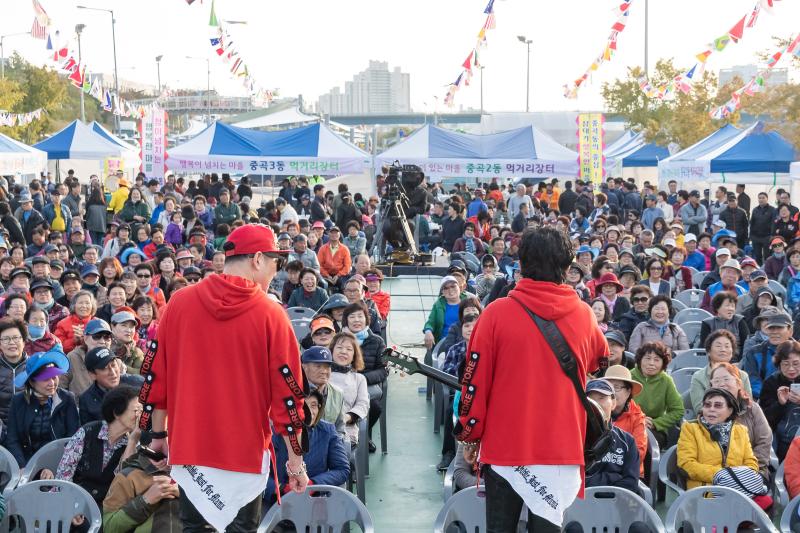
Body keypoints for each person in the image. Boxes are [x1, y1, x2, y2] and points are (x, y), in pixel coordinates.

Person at [147, 224, 308, 531]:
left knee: (193, 529)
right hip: (244, 454)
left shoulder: (178, 303)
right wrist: (295, 462)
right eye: (277, 260)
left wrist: (158, 435)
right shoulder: (272, 315)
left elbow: (157, 378)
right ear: (258, 259)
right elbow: (289, 400)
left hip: (190, 450)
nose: (278, 268)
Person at [456, 227, 606, 532]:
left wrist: (471, 434)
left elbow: (473, 383)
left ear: (521, 264)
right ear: (566, 266)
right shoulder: (584, 315)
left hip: (504, 446)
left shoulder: (495, 314)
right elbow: (599, 363)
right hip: (560, 447)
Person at [56, 385, 142, 513]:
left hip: (107, 507)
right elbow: (64, 474)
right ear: (116, 413)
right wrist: (71, 508)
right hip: (73, 501)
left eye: (142, 411)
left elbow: (123, 482)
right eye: (136, 411)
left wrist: (132, 441)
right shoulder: (88, 432)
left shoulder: (134, 443)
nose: (139, 416)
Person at [266, 389, 349, 505]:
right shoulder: (273, 432)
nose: (309, 411)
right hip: (277, 501)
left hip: (316, 501)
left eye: (314, 405)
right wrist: (280, 489)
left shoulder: (328, 431)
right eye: (303, 405)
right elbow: (259, 472)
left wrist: (312, 485)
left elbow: (342, 470)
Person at [677, 387, 762, 494]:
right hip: (704, 491)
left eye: (718, 405)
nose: (711, 409)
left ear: (730, 411)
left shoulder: (741, 430)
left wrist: (738, 478)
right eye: (707, 405)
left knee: (765, 503)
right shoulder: (690, 429)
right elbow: (686, 465)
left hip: (738, 489)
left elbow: (751, 462)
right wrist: (721, 475)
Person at [6, 349, 80, 468]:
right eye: (45, 379)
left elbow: (72, 439)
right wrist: (23, 467)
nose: (52, 383)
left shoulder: (67, 399)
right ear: (32, 382)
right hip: (26, 463)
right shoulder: (18, 401)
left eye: (54, 377)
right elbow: (12, 439)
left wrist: (52, 466)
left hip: (59, 463)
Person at [708, 362, 772, 478]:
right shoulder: (708, 413)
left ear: (738, 383)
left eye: (726, 379)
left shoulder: (752, 409)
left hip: (752, 471)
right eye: (716, 381)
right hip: (715, 476)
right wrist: (724, 475)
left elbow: (764, 441)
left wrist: (745, 471)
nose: (722, 384)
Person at [580, 379, 642, 497]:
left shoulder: (627, 441)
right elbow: (576, 481)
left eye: (601, 398)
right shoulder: (576, 439)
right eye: (590, 399)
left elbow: (631, 482)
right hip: (582, 505)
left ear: (613, 403)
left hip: (616, 505)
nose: (595, 403)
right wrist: (614, 477)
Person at [343, 301, 386, 452]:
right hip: (342, 386)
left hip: (365, 387)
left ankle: (364, 435)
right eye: (352, 317)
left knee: (374, 407)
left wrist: (362, 379)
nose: (356, 320)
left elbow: (382, 370)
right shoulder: (339, 340)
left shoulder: (376, 341)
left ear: (366, 319)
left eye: (360, 316)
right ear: (346, 320)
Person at [631, 341, 683, 448]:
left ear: (663, 363)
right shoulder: (629, 376)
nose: (651, 363)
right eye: (647, 358)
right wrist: (639, 420)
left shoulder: (666, 380)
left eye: (656, 360)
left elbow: (678, 410)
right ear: (640, 360)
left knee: (644, 442)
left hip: (654, 429)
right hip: (629, 423)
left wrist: (656, 423)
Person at [759, 339, 800, 461]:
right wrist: (780, 404)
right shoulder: (771, 382)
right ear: (779, 365)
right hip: (782, 438)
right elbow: (765, 420)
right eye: (786, 364)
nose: (791, 369)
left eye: (796, 363)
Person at [741, 306, 794, 399]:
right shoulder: (753, 353)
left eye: (779, 328)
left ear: (790, 331)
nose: (774, 332)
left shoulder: (797, 352)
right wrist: (772, 396)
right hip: (764, 401)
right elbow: (753, 381)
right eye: (771, 328)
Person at [328, 332, 370, 447]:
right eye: (339, 348)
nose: (343, 351)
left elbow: (363, 404)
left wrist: (346, 417)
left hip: (346, 430)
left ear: (354, 356)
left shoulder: (359, 379)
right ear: (331, 351)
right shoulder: (322, 374)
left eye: (349, 349)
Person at [61, 318, 113, 396]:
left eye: (107, 337)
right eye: (97, 336)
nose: (102, 341)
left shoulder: (115, 360)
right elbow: (60, 388)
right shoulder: (72, 358)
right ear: (85, 338)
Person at [423, 276, 467, 350]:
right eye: (446, 288)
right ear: (442, 292)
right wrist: (428, 332)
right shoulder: (438, 305)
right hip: (443, 345)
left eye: (453, 286)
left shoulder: (468, 301)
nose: (450, 290)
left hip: (465, 343)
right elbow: (430, 323)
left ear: (459, 287)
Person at [0, 318, 29, 424]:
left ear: (24, 342)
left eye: (16, 338)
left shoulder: (35, 366)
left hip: (29, 424)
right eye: (6, 339)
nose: (11, 342)